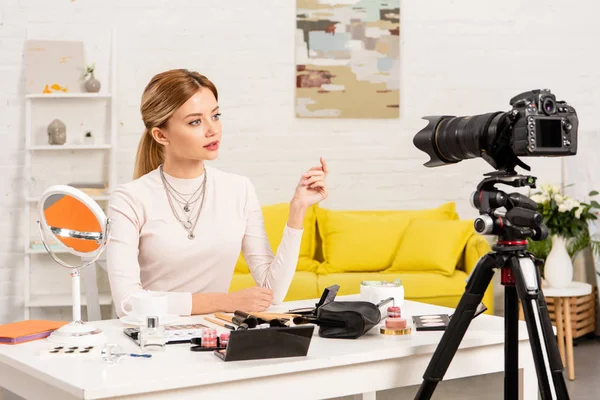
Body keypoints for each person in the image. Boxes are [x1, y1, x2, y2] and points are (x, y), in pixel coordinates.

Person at [106, 69, 329, 318]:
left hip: (212, 340)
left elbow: (271, 293)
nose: (213, 130)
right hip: (151, 341)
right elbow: (127, 304)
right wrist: (225, 301)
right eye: (195, 122)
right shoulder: (129, 199)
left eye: (215, 116)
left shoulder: (239, 189)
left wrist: (297, 210)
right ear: (161, 135)